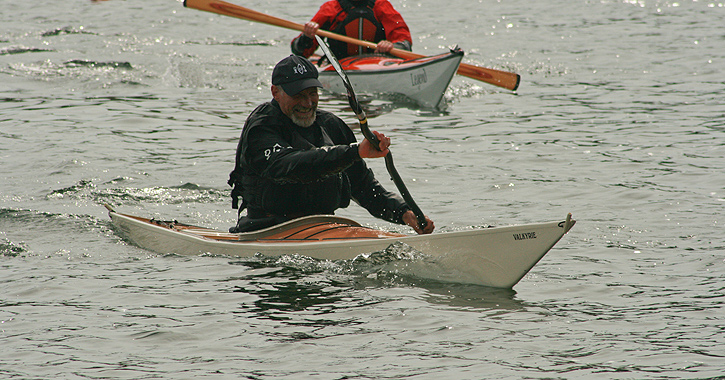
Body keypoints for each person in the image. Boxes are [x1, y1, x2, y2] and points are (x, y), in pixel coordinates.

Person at [228, 55, 434, 234]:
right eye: (298, 95)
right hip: (266, 229)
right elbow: (290, 166)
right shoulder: (262, 128)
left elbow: (362, 186)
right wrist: (354, 152)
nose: (308, 103)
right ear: (275, 93)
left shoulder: (331, 125)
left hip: (324, 226)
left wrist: (404, 212)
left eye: (312, 94)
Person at [291, 0, 412, 60]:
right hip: (340, 64)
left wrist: (391, 47)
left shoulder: (381, 6)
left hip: (377, 62)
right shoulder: (331, 9)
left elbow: (403, 40)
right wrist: (306, 37)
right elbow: (301, 53)